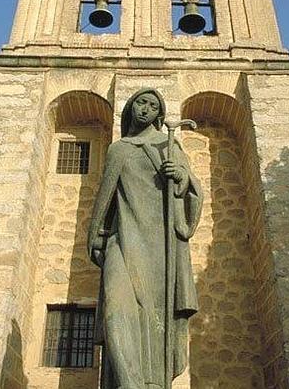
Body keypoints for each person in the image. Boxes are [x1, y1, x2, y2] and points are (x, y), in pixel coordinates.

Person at [87, 88, 203, 389]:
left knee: (157, 315)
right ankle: (128, 383)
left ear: (159, 114)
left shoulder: (169, 146)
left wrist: (180, 176)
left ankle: (152, 382)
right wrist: (95, 234)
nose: (145, 109)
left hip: (160, 247)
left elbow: (192, 191)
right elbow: (105, 196)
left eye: (152, 105)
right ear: (131, 108)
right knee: (115, 312)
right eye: (141, 102)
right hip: (122, 239)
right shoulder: (119, 149)